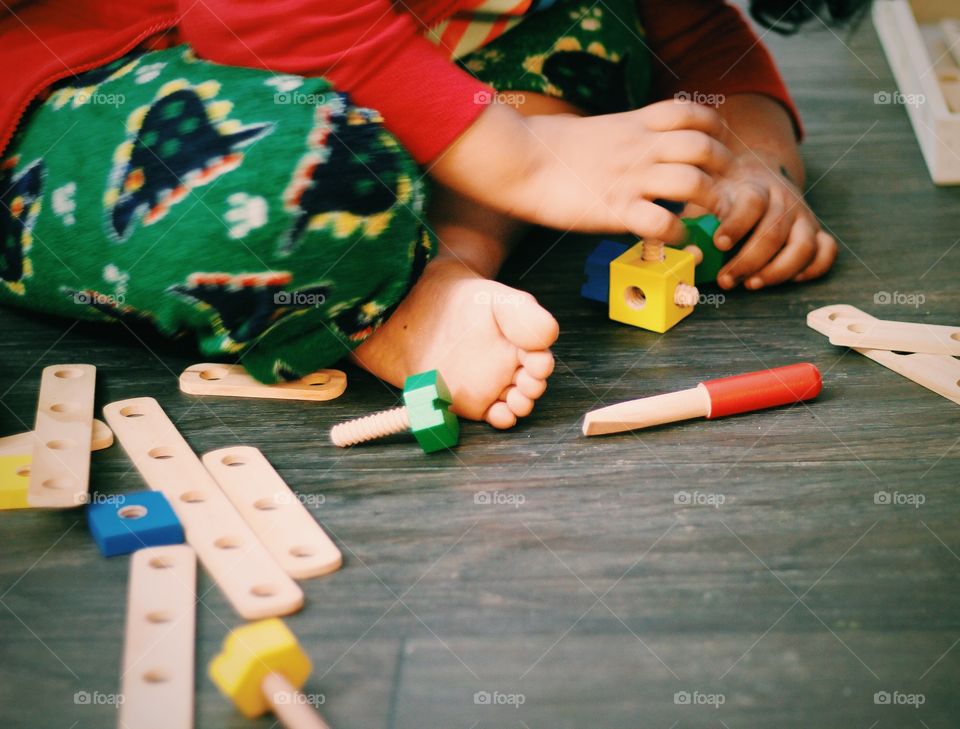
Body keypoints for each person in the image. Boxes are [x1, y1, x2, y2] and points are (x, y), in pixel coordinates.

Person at [0, 0, 864, 427]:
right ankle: (395, 296)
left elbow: (701, 43)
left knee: (605, 27)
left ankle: (452, 257)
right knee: (272, 179)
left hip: (369, 79)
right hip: (90, 100)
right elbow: (253, 16)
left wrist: (749, 156)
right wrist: (529, 158)